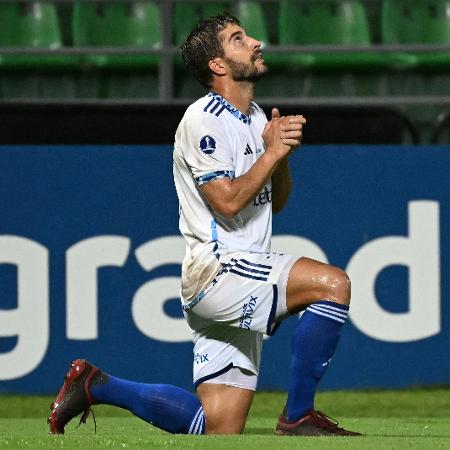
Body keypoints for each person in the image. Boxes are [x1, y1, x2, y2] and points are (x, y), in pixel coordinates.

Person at [48, 14, 361, 437]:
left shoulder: (253, 118)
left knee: (217, 425)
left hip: (235, 272)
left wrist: (278, 155)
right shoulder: (204, 119)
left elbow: (277, 202)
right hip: (220, 269)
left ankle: (97, 385)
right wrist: (269, 155)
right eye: (238, 39)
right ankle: (299, 415)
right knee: (333, 285)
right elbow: (228, 203)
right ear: (217, 64)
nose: (254, 41)